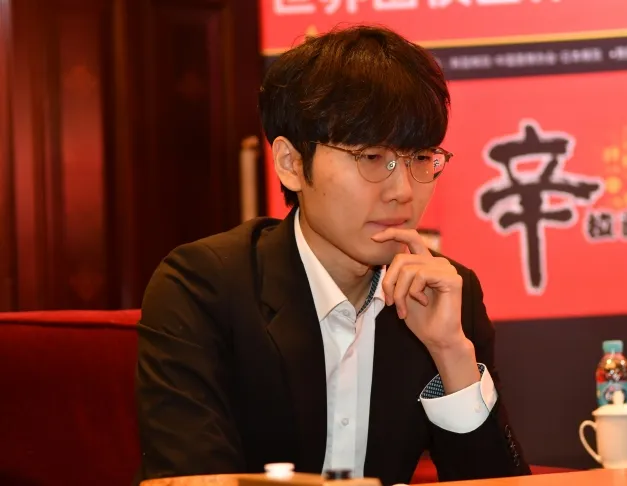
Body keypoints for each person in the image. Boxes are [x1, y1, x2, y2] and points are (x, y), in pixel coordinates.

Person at [135, 25, 529, 486]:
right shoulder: (203, 289)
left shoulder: (444, 295)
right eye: (371, 157)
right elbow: (192, 477)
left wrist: (451, 353)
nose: (403, 191)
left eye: (420, 158)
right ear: (291, 164)